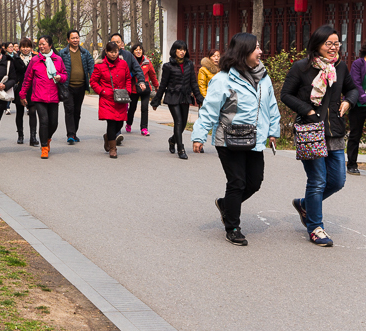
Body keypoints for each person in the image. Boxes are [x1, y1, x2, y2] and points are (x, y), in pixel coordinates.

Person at [191, 33, 280, 246]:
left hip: (255, 138)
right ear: (243, 52)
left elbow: (271, 106)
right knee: (237, 182)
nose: (260, 51)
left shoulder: (263, 77)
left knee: (255, 182)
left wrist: (273, 131)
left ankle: (226, 205)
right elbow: (209, 110)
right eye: (256, 48)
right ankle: (232, 226)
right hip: (228, 139)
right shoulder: (223, 79)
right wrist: (199, 135)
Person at [281, 25, 358, 246]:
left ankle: (305, 205)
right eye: (329, 44)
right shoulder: (301, 68)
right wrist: (307, 110)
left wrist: (347, 101)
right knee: (317, 180)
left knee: (338, 181)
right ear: (317, 45)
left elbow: (352, 89)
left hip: (335, 132)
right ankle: (316, 227)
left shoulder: (340, 68)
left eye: (337, 43)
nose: (334, 48)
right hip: (311, 131)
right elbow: (286, 94)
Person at [151, 40, 204, 159]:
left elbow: (193, 82)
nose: (182, 52)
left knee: (183, 123)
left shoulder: (189, 64)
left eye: (184, 50)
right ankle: (181, 148)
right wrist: (156, 100)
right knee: (178, 121)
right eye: (179, 49)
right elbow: (163, 84)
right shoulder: (168, 66)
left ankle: (172, 140)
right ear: (174, 51)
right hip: (172, 96)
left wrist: (199, 97)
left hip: (185, 96)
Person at [19, 36, 68, 159]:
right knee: (44, 121)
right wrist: (22, 94)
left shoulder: (58, 59)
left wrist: (60, 77)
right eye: (39, 44)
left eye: (43, 44)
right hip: (38, 96)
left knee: (54, 123)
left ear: (50, 45)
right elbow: (27, 78)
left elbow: (65, 75)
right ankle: (44, 147)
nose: (41, 46)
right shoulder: (35, 60)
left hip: (54, 96)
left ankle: (47, 138)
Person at [90, 41, 131, 159]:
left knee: (120, 123)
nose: (114, 54)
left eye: (116, 52)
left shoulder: (123, 64)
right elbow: (93, 82)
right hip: (107, 99)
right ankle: (113, 148)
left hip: (121, 98)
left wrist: (127, 90)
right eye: (111, 52)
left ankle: (108, 137)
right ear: (106, 52)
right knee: (112, 122)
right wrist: (102, 91)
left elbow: (128, 78)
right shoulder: (100, 65)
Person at [108, 33, 147, 146]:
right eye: (113, 42)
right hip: (109, 89)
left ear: (122, 44)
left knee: (122, 112)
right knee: (111, 114)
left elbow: (137, 69)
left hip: (123, 90)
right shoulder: (105, 55)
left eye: (118, 42)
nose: (116, 44)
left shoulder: (128, 56)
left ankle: (115, 132)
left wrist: (141, 81)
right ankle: (114, 135)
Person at [59, 30, 95, 144]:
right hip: (67, 86)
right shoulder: (63, 53)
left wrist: (92, 80)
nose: (75, 40)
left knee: (77, 111)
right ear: (68, 40)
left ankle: (74, 133)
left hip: (80, 87)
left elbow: (91, 67)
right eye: (73, 38)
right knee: (69, 109)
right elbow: (58, 67)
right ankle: (70, 134)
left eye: (77, 38)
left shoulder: (85, 53)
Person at [125, 43, 159, 136]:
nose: (138, 51)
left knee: (144, 108)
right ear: (133, 52)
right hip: (134, 89)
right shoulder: (131, 61)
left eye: (140, 49)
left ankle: (144, 128)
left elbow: (152, 75)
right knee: (132, 108)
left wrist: (156, 86)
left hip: (145, 89)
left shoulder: (147, 62)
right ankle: (129, 123)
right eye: (136, 50)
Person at [11, 38, 38, 146]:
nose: (25, 49)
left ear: (31, 48)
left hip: (33, 88)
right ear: (19, 48)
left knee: (32, 112)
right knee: (19, 112)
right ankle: (20, 135)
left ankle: (33, 137)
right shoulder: (15, 58)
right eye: (23, 46)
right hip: (20, 87)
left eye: (27, 47)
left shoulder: (36, 58)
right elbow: (12, 73)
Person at [347, 43, 366, 175]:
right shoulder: (358, 64)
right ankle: (352, 164)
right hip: (359, 105)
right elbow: (356, 83)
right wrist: (364, 97)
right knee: (355, 135)